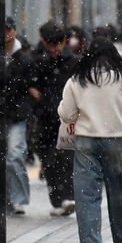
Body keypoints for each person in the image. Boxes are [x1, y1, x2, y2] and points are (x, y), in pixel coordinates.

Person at [58, 37, 122, 243]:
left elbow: (66, 114)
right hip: (115, 139)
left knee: (86, 195)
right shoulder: (121, 77)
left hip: (86, 140)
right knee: (117, 191)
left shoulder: (77, 79)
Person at [29, 21, 76, 216]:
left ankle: (68, 197)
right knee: (49, 162)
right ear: (43, 41)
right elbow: (26, 82)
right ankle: (58, 201)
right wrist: (31, 90)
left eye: (58, 44)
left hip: (67, 119)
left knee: (67, 159)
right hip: (44, 118)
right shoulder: (36, 60)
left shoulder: (72, 62)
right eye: (50, 44)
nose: (54, 49)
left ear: (64, 41)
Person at [3, 18, 33, 214]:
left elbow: (29, 85)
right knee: (1, 158)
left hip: (16, 115)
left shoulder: (23, 58)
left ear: (14, 31)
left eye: (9, 30)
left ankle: (19, 198)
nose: (6, 34)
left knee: (14, 155)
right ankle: (6, 198)